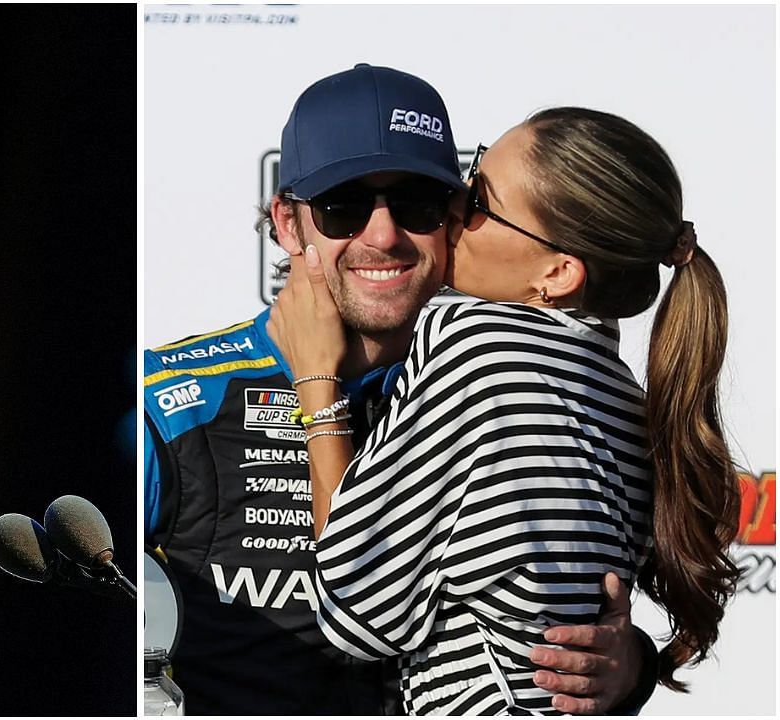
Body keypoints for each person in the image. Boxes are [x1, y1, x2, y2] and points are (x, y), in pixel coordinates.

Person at [143, 64, 658, 715]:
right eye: (342, 207)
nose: (382, 235)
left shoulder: (510, 378)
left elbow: (572, 600)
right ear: (286, 223)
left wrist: (626, 664)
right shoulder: (172, 401)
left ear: (452, 216)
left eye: (416, 202)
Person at [271, 105, 738, 713]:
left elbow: (358, 609)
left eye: (481, 204)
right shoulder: (621, 391)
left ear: (557, 272)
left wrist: (316, 381)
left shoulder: (480, 348)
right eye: (464, 184)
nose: (455, 212)